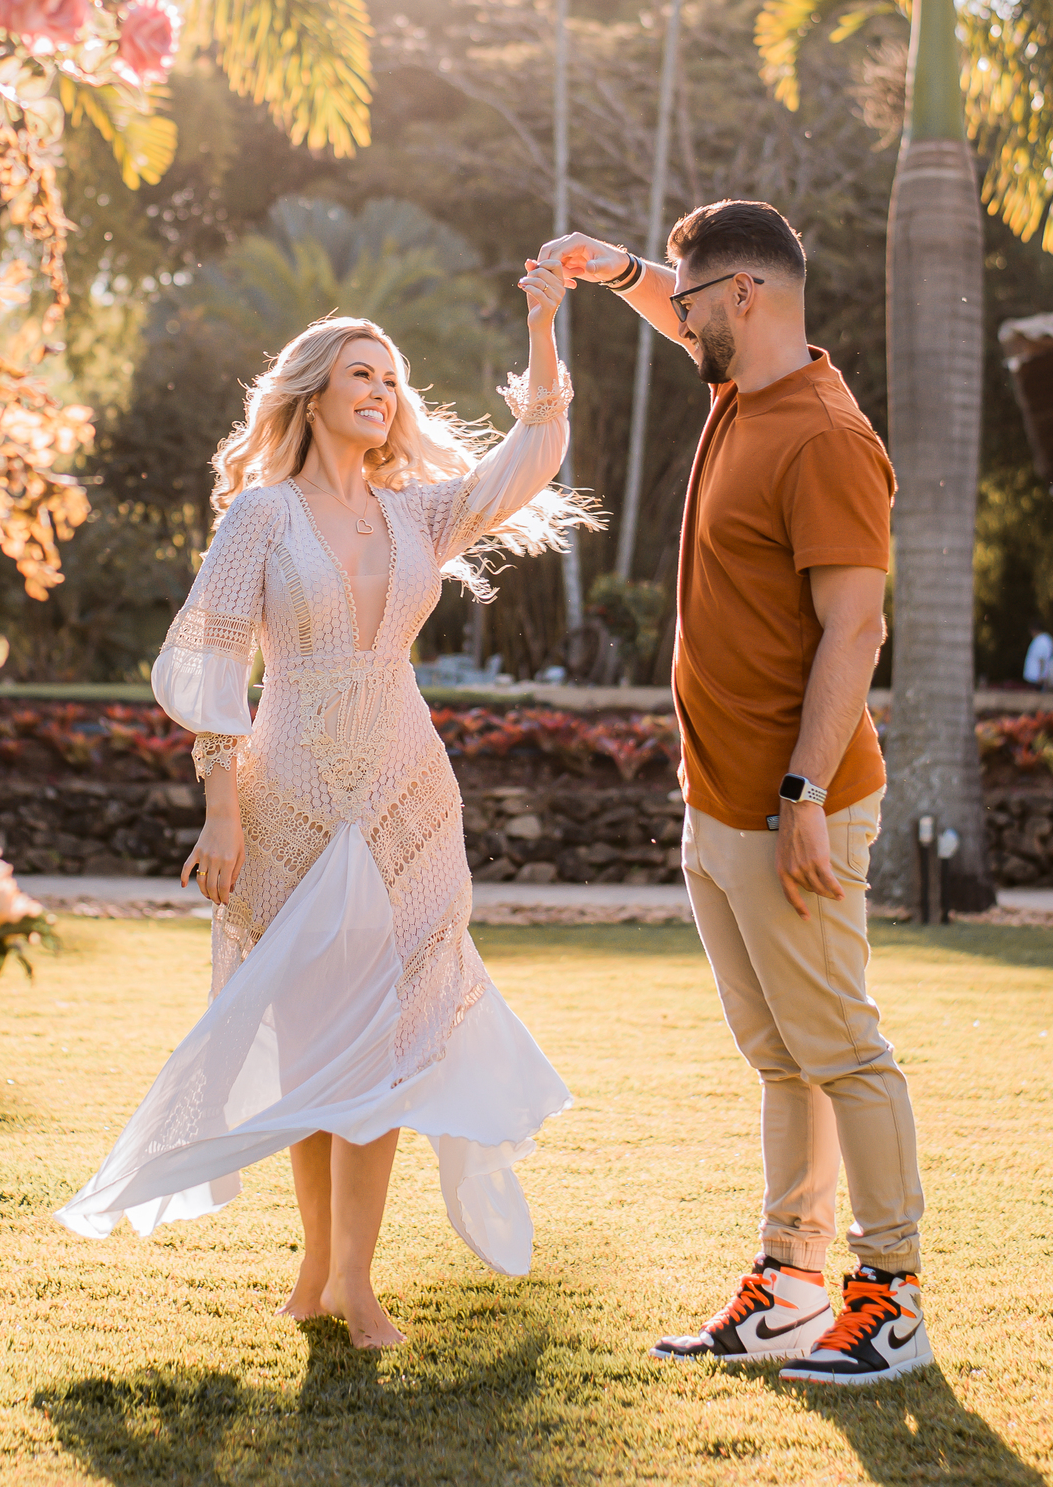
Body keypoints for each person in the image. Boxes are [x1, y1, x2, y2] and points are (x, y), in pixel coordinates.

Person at [56, 267, 597, 1350]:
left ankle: (354, 1282)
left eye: (392, 380)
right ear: (311, 394)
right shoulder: (260, 517)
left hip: (406, 793)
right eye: (362, 375)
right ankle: (318, 1269)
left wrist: (542, 324)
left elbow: (534, 451)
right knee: (315, 1042)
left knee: (386, 1040)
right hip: (290, 795)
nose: (383, 394)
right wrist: (221, 812)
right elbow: (213, 668)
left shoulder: (416, 513)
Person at [537, 202, 930, 1387]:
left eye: (696, 302)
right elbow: (677, 307)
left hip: (792, 804)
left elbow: (856, 629)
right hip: (720, 802)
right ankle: (791, 1284)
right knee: (783, 1056)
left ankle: (891, 1297)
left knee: (841, 1047)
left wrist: (804, 791)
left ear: (746, 297)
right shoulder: (743, 392)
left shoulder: (824, 436)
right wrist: (616, 270)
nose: (684, 321)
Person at [1023, 622, 1052, 689]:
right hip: (1037, 678)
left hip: (1037, 679)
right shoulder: (1044, 639)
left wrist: (1041, 676)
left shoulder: (1041, 641)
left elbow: (1041, 659)